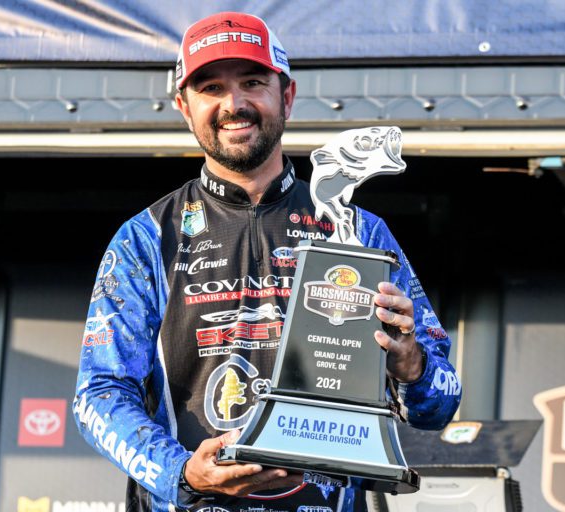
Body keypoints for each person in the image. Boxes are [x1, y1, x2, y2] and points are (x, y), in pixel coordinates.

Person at [73, 11, 461, 512]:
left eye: (253, 82)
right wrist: (183, 473)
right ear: (184, 107)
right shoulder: (146, 238)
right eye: (211, 87)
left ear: (288, 97)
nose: (234, 104)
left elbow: (441, 404)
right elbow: (98, 395)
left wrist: (408, 361)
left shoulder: (359, 232)